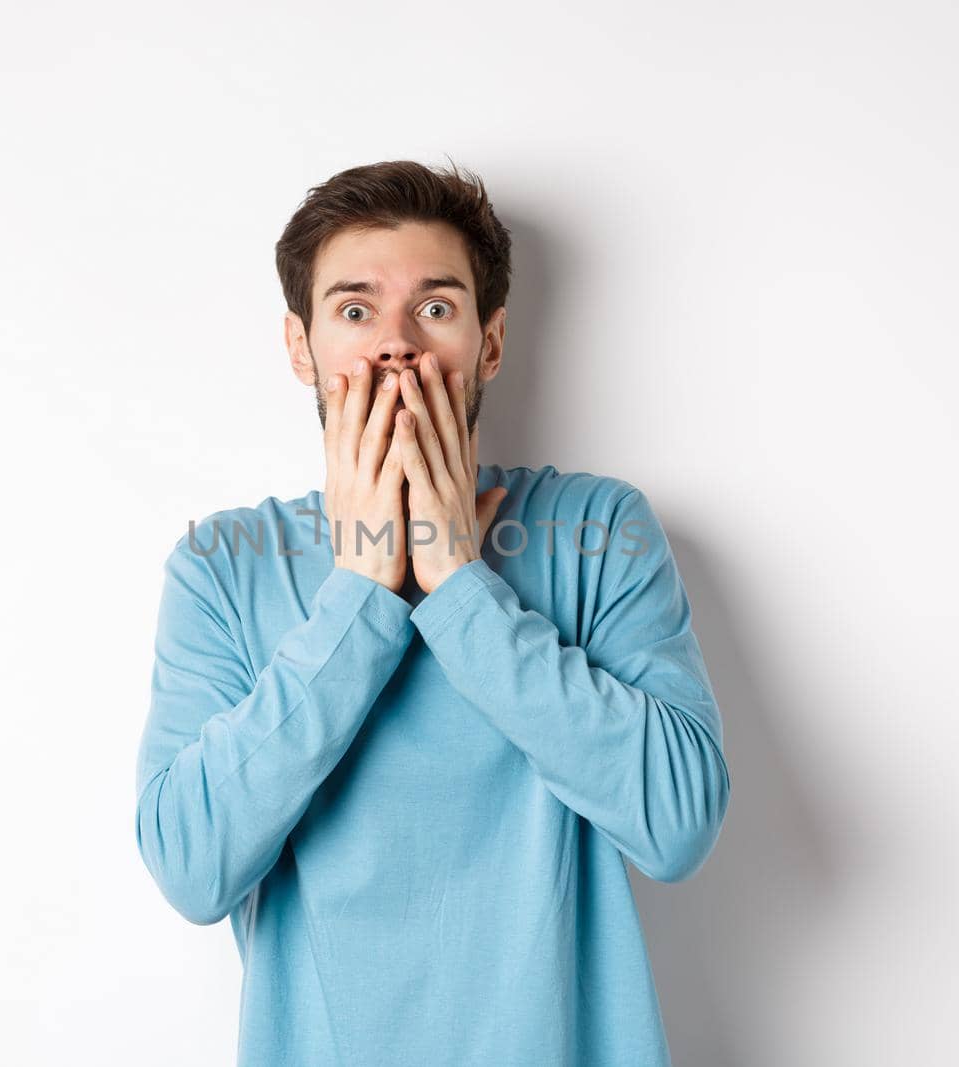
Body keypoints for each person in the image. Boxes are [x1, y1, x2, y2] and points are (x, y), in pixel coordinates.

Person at [133, 159, 731, 1066]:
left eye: (437, 308)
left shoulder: (601, 529)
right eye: (356, 309)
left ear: (489, 344)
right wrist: (364, 590)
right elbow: (191, 865)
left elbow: (677, 824)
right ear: (303, 348)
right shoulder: (223, 565)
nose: (397, 345)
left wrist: (458, 583)